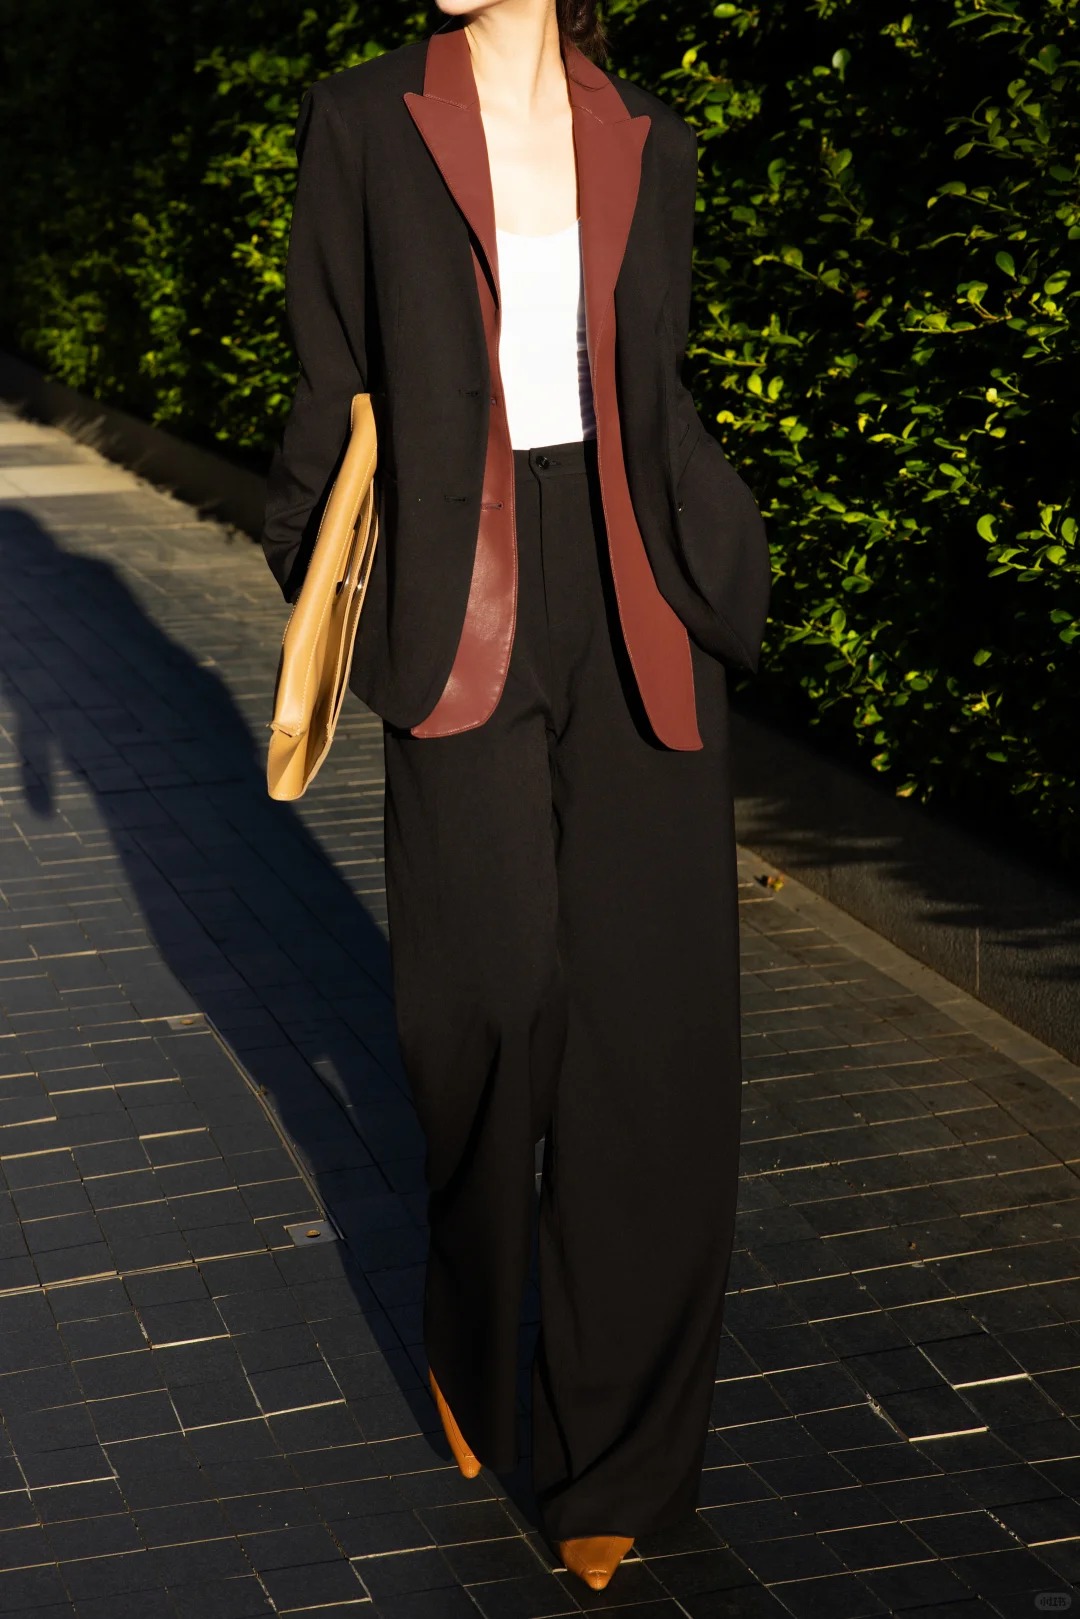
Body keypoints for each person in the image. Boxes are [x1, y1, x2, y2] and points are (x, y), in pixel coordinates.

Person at [260, 0, 771, 1592]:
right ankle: (471, 1311)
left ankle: (618, 1458)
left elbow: (654, 378)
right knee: (480, 999)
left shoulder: (651, 135)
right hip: (454, 593)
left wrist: (712, 554)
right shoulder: (364, 120)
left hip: (634, 595)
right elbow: (328, 372)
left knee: (651, 1032)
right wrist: (334, 589)